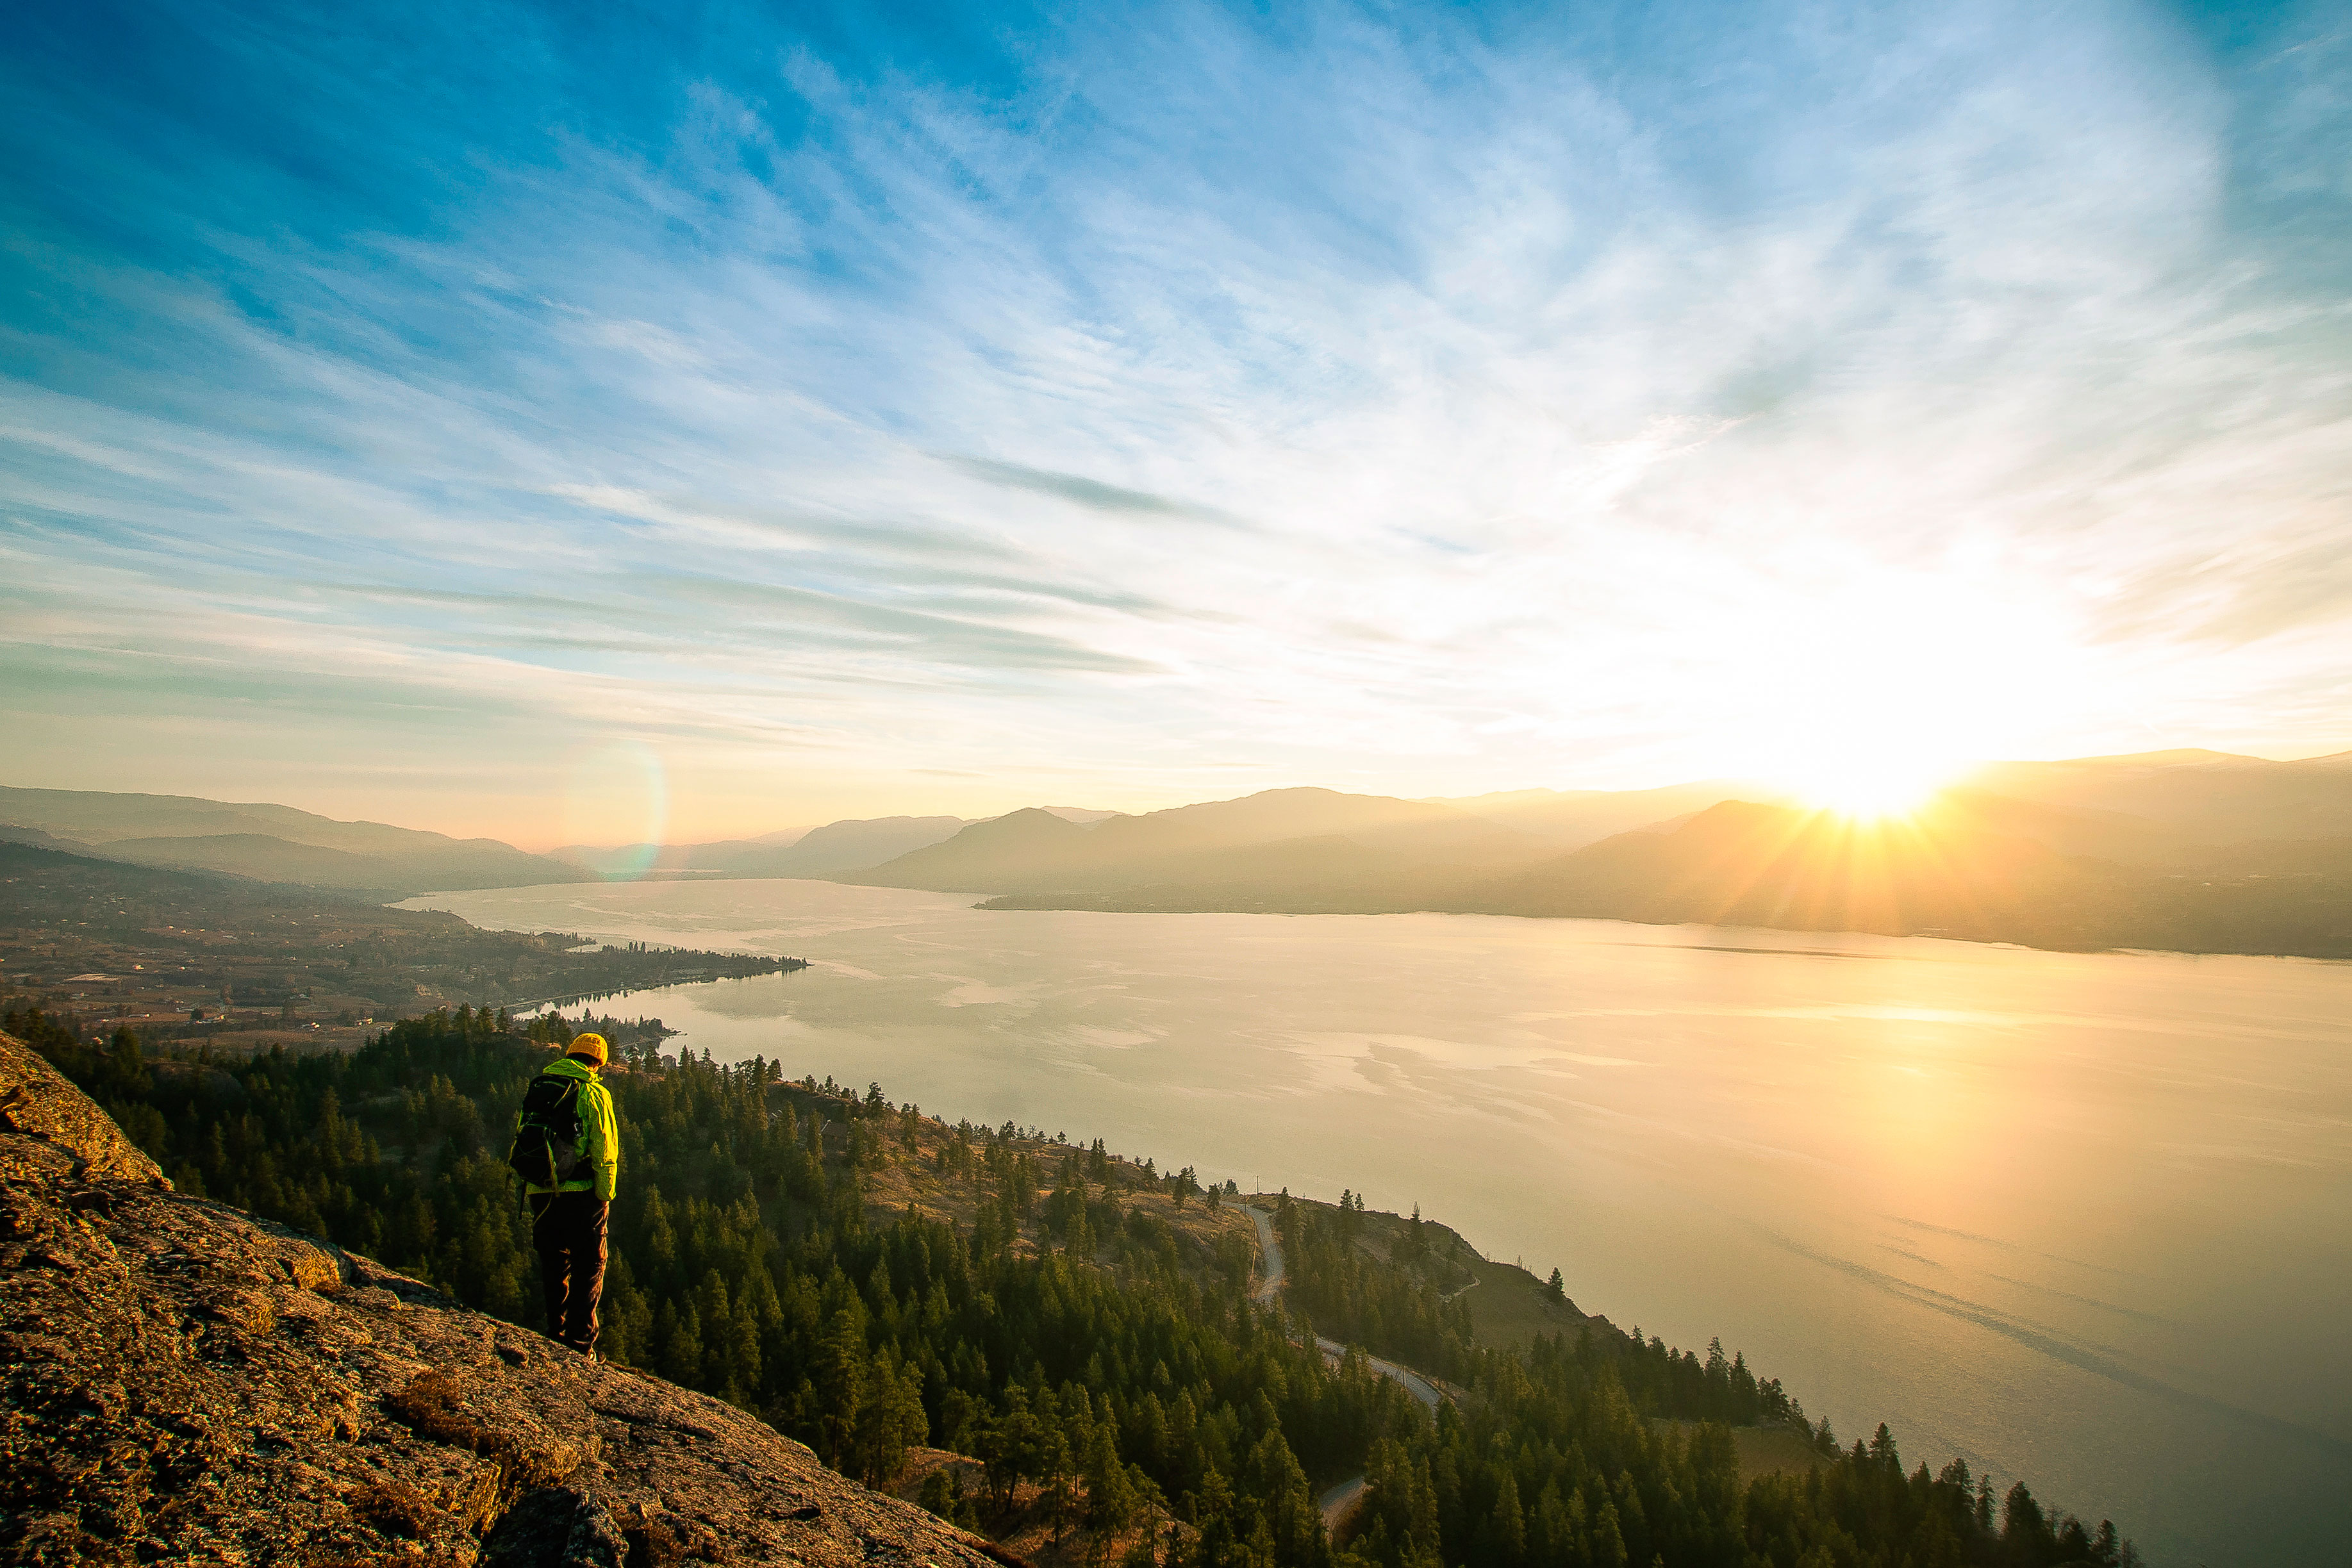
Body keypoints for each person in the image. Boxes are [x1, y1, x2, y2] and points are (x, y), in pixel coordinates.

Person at [519, 1031, 620, 1357]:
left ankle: (555, 1330)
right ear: (598, 1063)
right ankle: (579, 1343)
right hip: (582, 1194)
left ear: (570, 1055)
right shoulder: (594, 1093)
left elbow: (523, 1135)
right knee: (589, 1266)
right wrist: (605, 1195)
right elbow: (605, 1150)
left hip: (541, 1191)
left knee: (554, 1263)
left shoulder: (541, 1088)